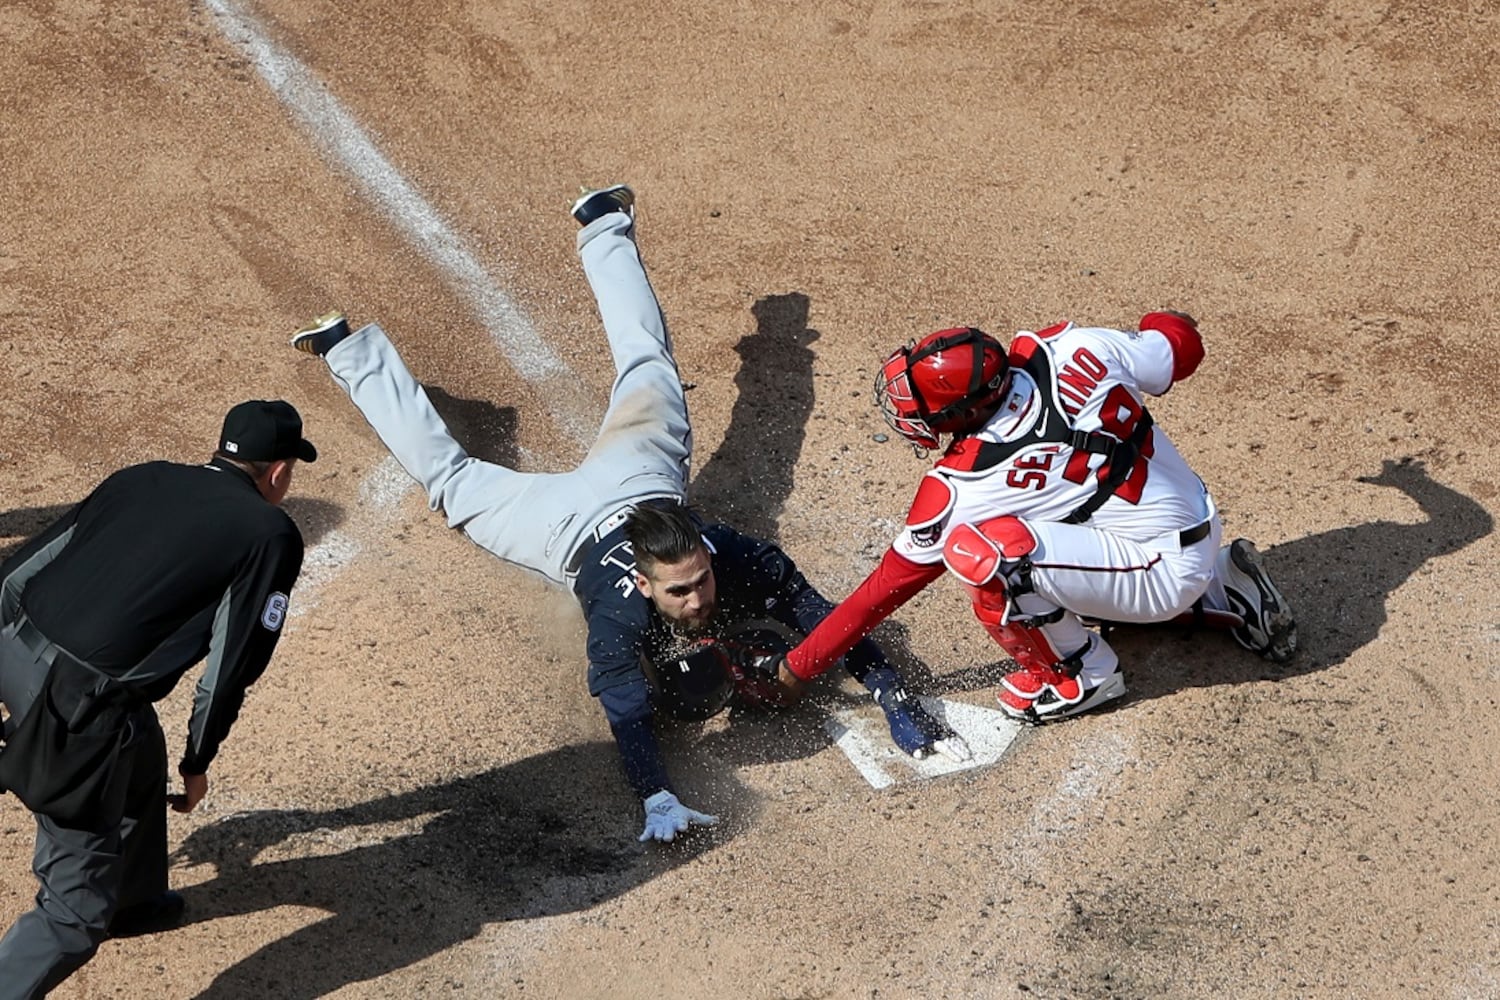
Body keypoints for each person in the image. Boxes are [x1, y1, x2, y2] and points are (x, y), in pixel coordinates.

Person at [289, 184, 968, 843]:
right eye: (681, 589)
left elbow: (825, 614)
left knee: (649, 367)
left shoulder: (732, 555)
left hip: (642, 479)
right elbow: (629, 718)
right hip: (559, 530)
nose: (700, 594)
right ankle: (346, 351)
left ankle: (602, 220)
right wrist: (656, 794)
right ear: (644, 585)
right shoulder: (617, 621)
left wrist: (889, 690)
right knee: (451, 478)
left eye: (701, 579)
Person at [770, 315, 1298, 722]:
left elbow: (882, 591)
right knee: (1084, 502)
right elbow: (1180, 346)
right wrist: (1166, 322)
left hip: (1159, 574)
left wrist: (797, 667)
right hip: (1197, 522)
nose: (915, 419)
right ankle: (1224, 585)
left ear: (964, 413)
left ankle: (1080, 676)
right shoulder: (1075, 347)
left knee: (987, 555)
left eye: (927, 411)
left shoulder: (966, 484)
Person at [0, 399, 313, 998]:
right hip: (75, 710)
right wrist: (199, 762)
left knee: (138, 740)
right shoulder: (270, 533)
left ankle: (134, 901)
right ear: (277, 473)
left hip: (11, 650)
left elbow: (16, 574)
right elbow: (229, 669)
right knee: (72, 914)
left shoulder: (143, 475)